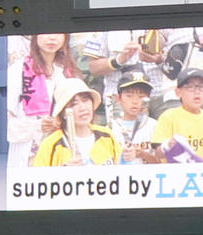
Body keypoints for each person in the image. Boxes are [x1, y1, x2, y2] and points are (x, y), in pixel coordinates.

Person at [6, 33, 82, 168]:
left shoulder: (67, 73)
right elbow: (6, 121)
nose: (52, 38)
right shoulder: (18, 71)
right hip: (28, 148)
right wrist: (37, 125)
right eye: (46, 32)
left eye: (58, 33)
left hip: (61, 146)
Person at [149, 68, 203, 162]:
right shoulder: (169, 117)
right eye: (190, 87)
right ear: (178, 92)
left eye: (201, 87)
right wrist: (167, 146)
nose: (196, 91)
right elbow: (158, 154)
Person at [31, 80, 121, 167]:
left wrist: (127, 158)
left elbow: (121, 170)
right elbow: (38, 179)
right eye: (74, 104)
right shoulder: (51, 144)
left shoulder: (106, 135)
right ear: (63, 113)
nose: (83, 108)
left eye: (85, 100)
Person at [107, 70, 158, 161]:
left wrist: (143, 155)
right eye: (129, 96)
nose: (135, 101)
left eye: (141, 96)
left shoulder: (154, 126)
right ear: (119, 98)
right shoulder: (110, 129)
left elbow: (164, 163)